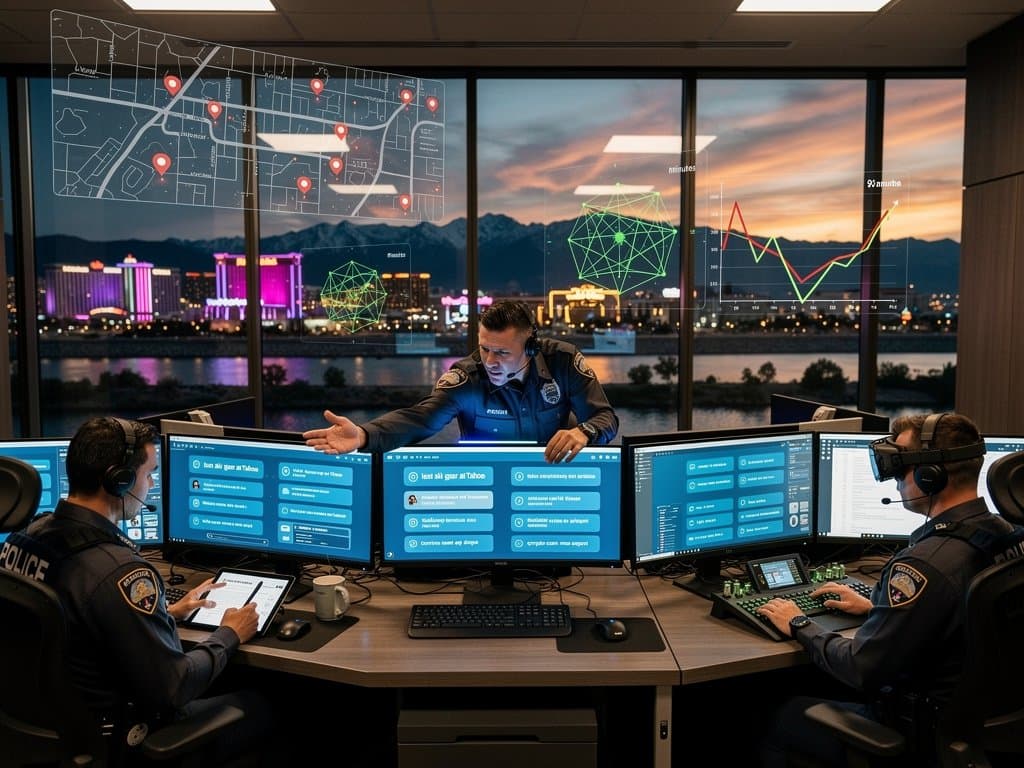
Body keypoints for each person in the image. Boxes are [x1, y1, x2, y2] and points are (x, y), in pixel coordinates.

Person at [0, 416, 271, 767]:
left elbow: (72, 623)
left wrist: (166, 612)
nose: (151, 484)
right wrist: (230, 633)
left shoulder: (27, 538)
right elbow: (175, 687)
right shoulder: (120, 571)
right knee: (278, 702)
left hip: (45, 731)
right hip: (121, 739)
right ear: (119, 480)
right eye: (148, 473)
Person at [756, 412, 1023, 767]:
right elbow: (967, 616)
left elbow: (861, 669)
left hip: (923, 733)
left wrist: (800, 623)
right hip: (989, 728)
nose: (894, 479)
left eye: (899, 466)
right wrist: (874, 607)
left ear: (930, 476)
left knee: (783, 714)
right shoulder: (1005, 535)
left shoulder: (923, 565)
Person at [303, 299, 619, 463]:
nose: (490, 361)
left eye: (502, 352)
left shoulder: (563, 361)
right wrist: (362, 435)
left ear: (530, 347)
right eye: (484, 349)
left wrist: (584, 432)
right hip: (484, 487)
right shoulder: (466, 377)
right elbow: (420, 418)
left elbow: (606, 418)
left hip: (550, 483)